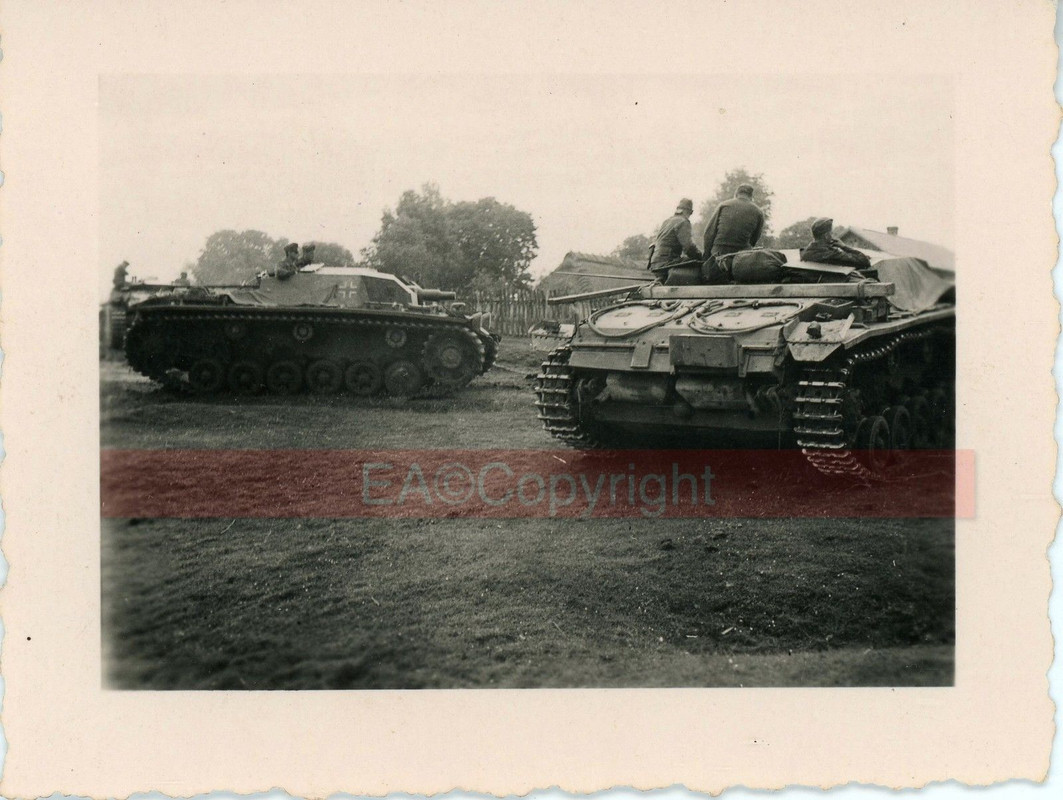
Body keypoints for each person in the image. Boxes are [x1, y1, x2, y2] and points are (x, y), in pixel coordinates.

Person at [701, 184, 765, 265]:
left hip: (718, 255)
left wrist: (706, 257)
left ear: (736, 194)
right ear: (751, 197)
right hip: (741, 259)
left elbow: (709, 233)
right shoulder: (758, 212)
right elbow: (754, 239)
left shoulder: (723, 205)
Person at [648, 198, 703, 278]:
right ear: (690, 212)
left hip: (655, 264)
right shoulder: (683, 222)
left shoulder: (667, 221)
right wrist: (700, 257)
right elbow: (688, 247)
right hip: (667, 263)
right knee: (698, 266)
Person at [799, 218, 873, 269]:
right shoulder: (831, 254)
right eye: (832, 233)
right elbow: (865, 261)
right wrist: (844, 247)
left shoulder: (806, 253)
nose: (834, 236)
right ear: (827, 236)